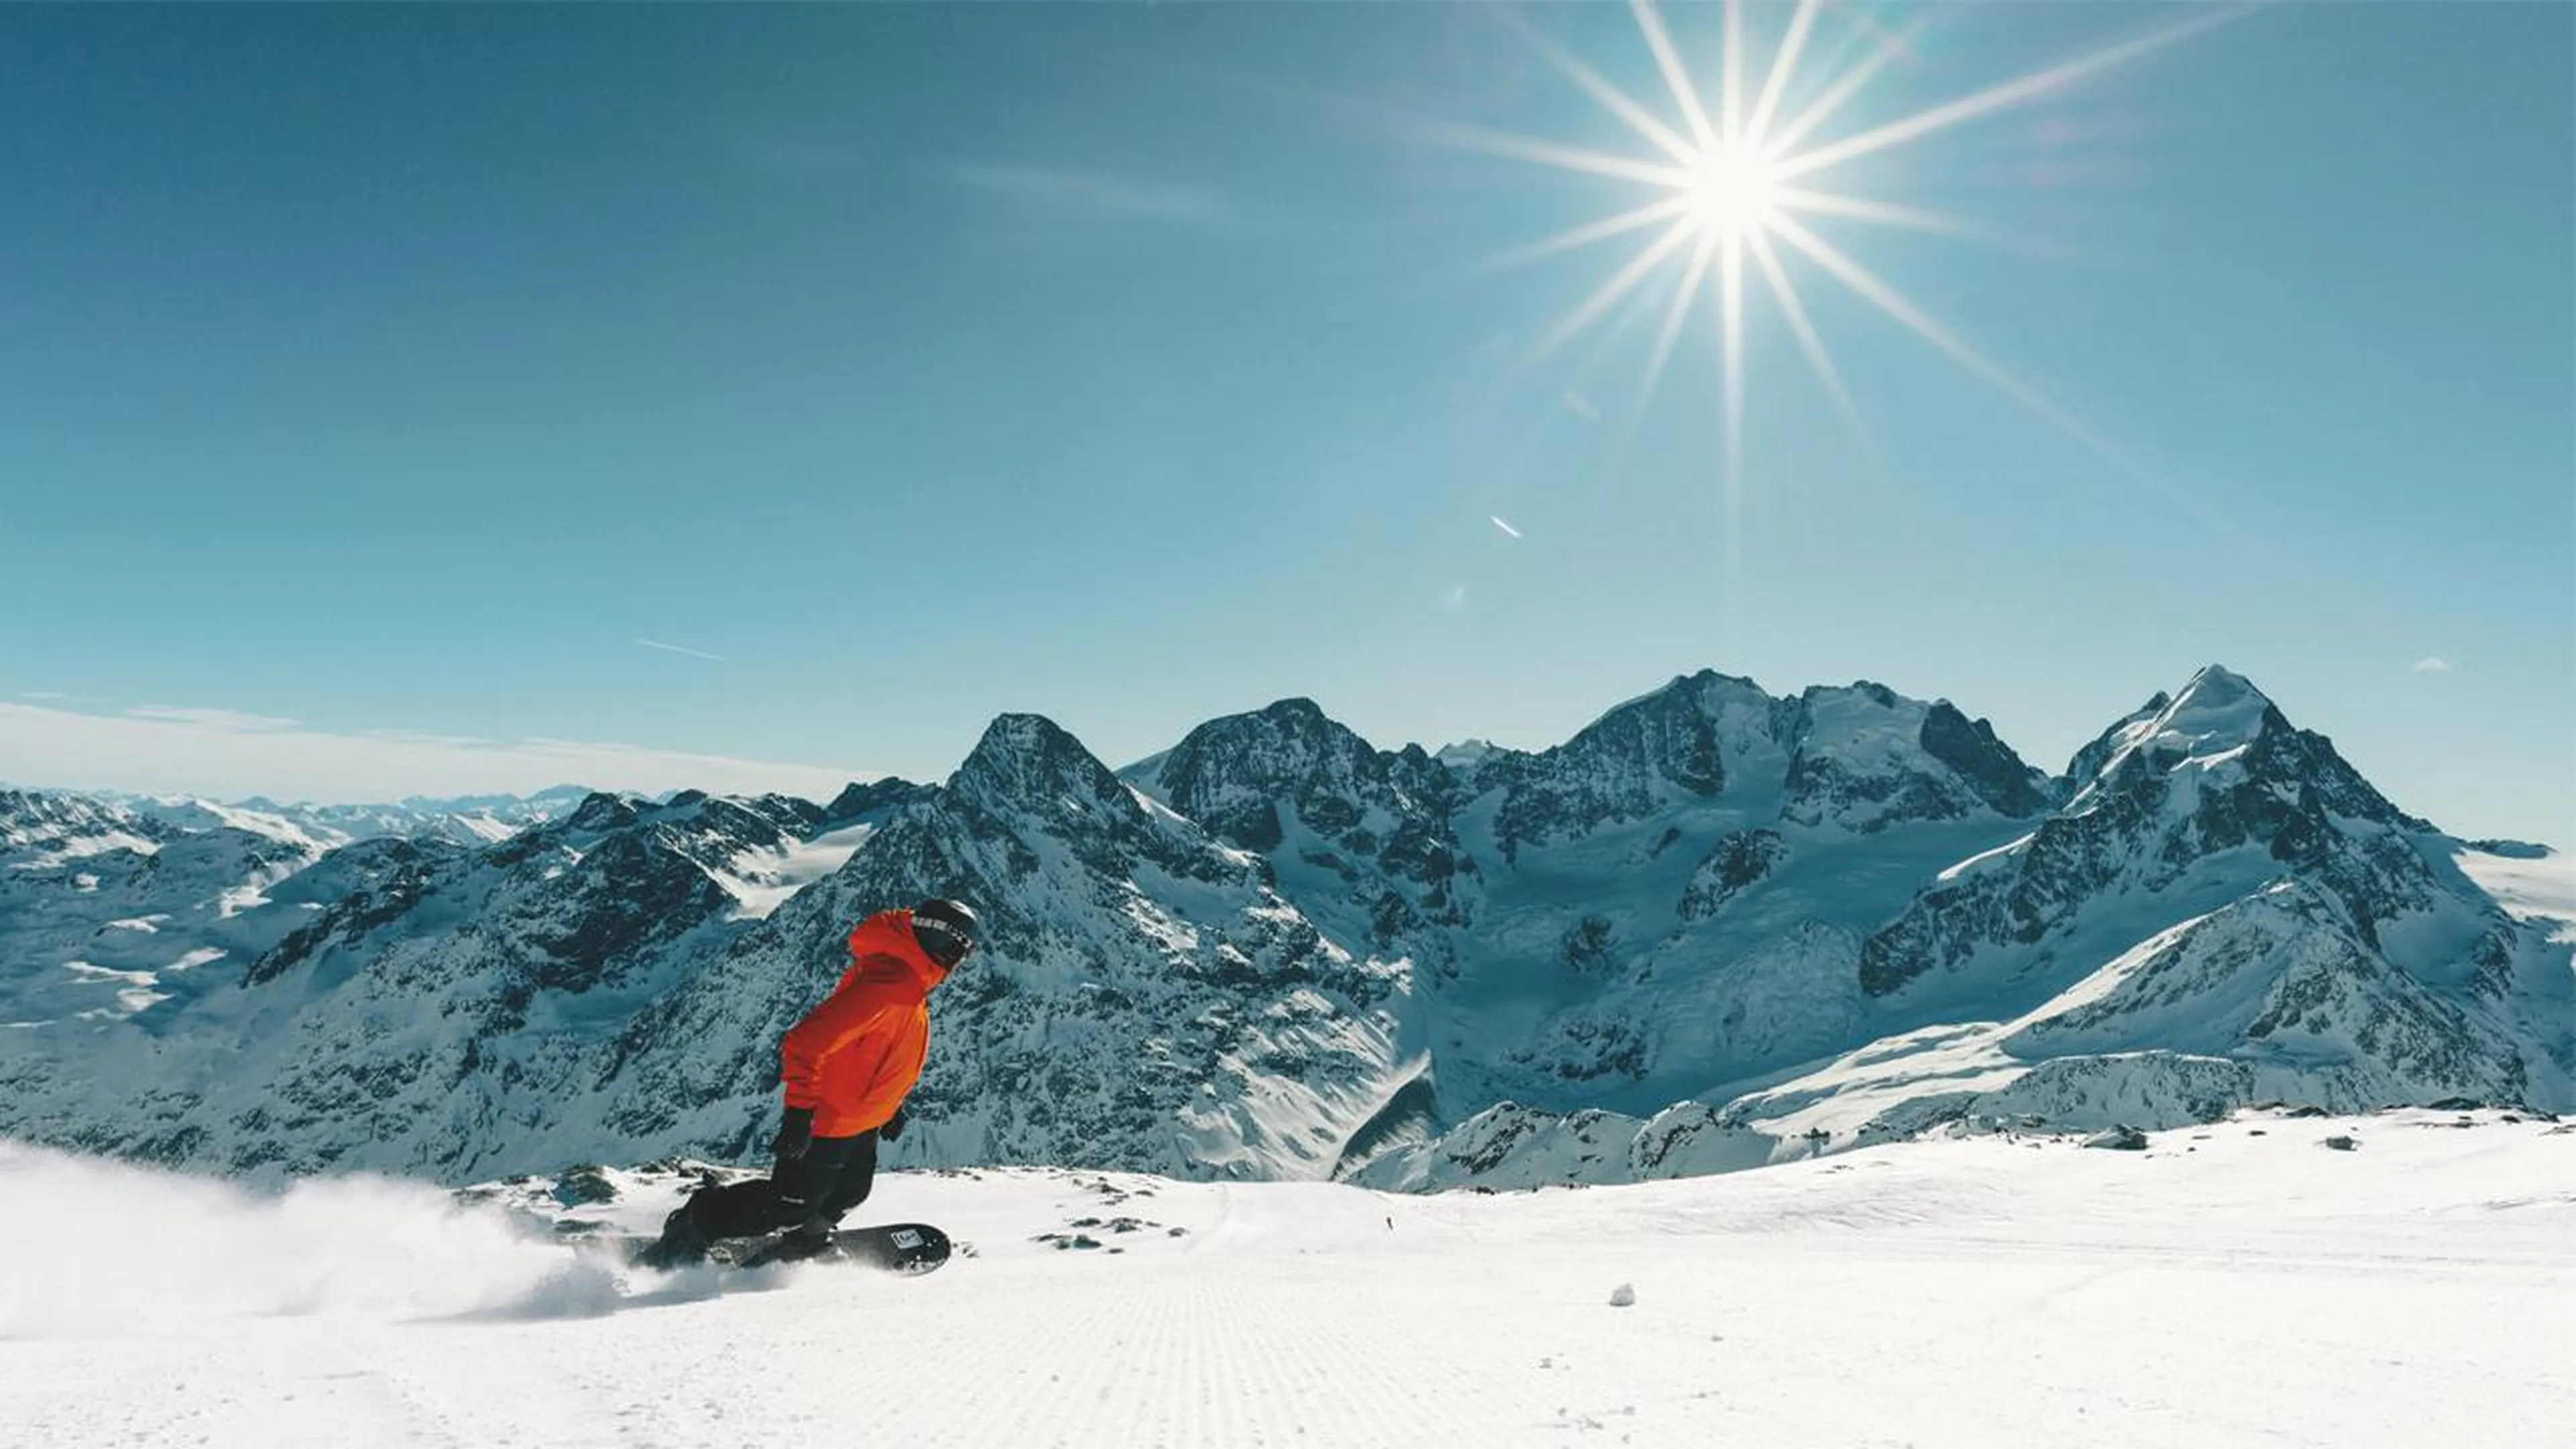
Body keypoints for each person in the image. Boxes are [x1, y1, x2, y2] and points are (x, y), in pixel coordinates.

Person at [643, 897, 977, 1266]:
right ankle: (692, 1225)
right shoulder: (890, 983)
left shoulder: (909, 983)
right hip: (828, 1121)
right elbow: (805, 1044)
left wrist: (891, 1103)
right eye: (959, 949)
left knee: (848, 1194)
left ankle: (802, 1243)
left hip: (860, 1119)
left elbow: (879, 1051)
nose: (961, 961)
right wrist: (800, 1115)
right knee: (788, 1205)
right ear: (939, 941)